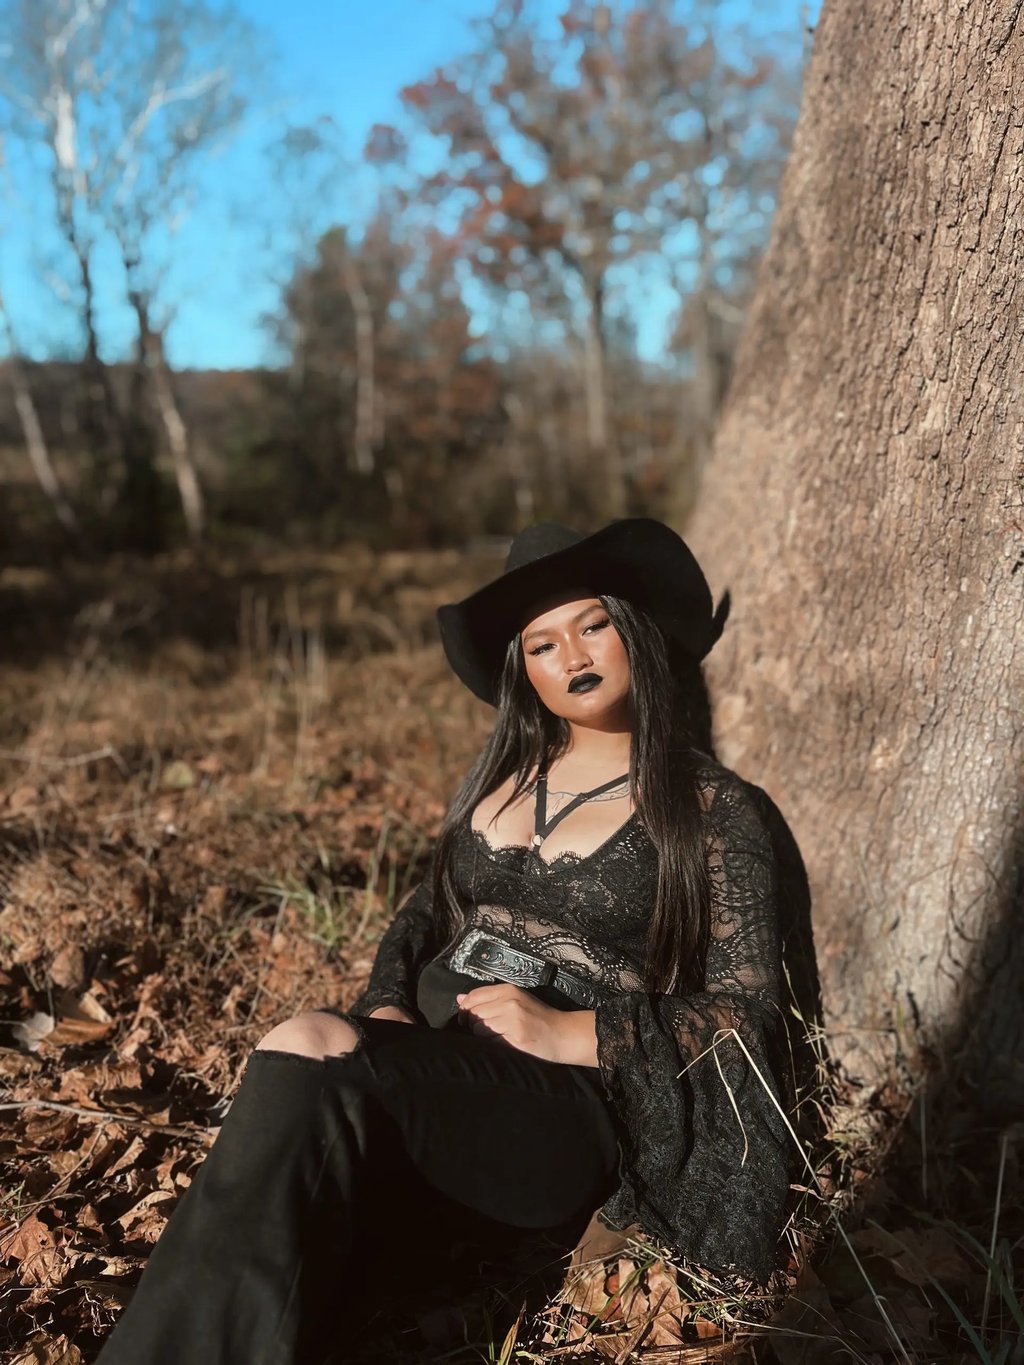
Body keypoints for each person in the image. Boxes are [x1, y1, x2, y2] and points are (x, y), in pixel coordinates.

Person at [95, 518, 790, 1365]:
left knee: (306, 1044)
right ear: (522, 670)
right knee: (296, 1138)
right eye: (541, 643)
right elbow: (421, 918)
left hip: (563, 1109)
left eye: (593, 624)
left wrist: (570, 1030)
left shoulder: (714, 809)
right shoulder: (498, 783)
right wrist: (387, 1000)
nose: (571, 653)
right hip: (426, 1074)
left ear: (634, 628)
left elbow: (747, 1013)